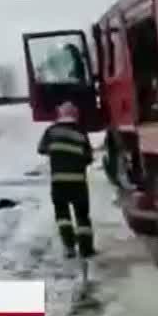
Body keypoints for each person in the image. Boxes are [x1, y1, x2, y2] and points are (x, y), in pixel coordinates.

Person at [37, 101, 96, 258]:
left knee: (62, 214)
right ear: (75, 114)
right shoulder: (81, 132)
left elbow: (41, 149)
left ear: (60, 114)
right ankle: (86, 249)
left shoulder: (51, 131)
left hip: (58, 181)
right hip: (78, 182)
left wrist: (56, 153)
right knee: (82, 215)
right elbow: (89, 157)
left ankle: (69, 246)